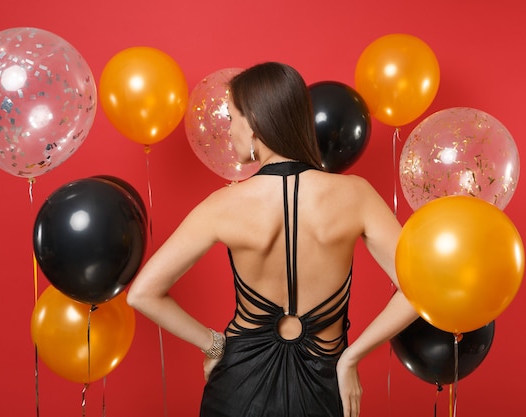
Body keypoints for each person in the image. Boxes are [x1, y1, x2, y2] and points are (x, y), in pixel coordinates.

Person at [127, 61, 418, 417]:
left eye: (232, 117)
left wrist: (215, 345)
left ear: (253, 125)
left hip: (236, 387)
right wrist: (350, 359)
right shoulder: (356, 195)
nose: (229, 129)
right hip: (323, 389)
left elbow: (143, 293)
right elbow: (419, 288)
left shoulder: (224, 205)